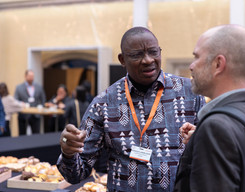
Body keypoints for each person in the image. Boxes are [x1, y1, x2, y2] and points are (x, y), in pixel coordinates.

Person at [57, 26, 206, 191]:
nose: (148, 60)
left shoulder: (190, 93)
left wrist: (200, 141)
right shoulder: (104, 103)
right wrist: (68, 152)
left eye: (153, 52)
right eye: (137, 55)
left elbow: (210, 158)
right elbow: (76, 174)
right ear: (122, 60)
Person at [173, 24, 245, 192]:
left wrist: (209, 139)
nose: (191, 66)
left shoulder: (215, 127)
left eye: (196, 57)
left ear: (218, 64)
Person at [14, 69, 46, 135]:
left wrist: (41, 106)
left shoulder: (38, 87)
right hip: (23, 115)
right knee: (22, 135)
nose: (31, 78)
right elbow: (15, 100)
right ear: (25, 76)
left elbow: (43, 99)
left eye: (32, 76)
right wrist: (21, 104)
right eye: (30, 76)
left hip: (36, 115)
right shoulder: (19, 87)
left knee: (36, 135)